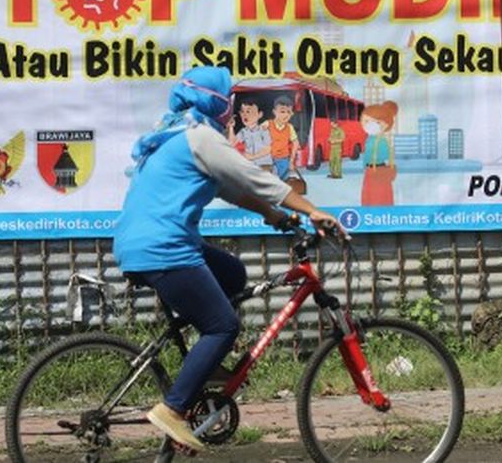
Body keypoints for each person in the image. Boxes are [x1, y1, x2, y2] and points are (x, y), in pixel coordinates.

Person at [112, 66, 342, 452]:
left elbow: (229, 188)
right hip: (165, 248)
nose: (231, 111)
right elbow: (254, 177)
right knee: (223, 326)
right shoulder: (201, 138)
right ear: (217, 103)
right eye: (228, 103)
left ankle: (203, 367)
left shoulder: (174, 134)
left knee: (233, 274)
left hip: (143, 243)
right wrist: (310, 209)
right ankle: (174, 408)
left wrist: (275, 216)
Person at [360, 100, 398, 206]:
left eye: (377, 122)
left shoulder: (381, 140)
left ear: (386, 125)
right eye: (366, 121)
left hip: (378, 172)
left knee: (379, 198)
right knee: (369, 198)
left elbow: (384, 156)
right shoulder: (369, 139)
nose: (370, 125)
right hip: (370, 171)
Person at [227, 101, 273, 171]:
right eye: (242, 112)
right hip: (250, 166)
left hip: (264, 165)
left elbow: (268, 149)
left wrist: (252, 157)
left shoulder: (264, 130)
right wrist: (231, 127)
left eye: (248, 111)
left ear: (259, 114)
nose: (244, 115)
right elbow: (232, 143)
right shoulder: (243, 131)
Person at [264, 95, 299, 180]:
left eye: (289, 112)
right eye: (283, 112)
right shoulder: (267, 124)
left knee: (283, 180)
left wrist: (291, 161)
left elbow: (295, 143)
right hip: (268, 159)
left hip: (283, 159)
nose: (286, 115)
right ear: (275, 112)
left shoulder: (290, 127)